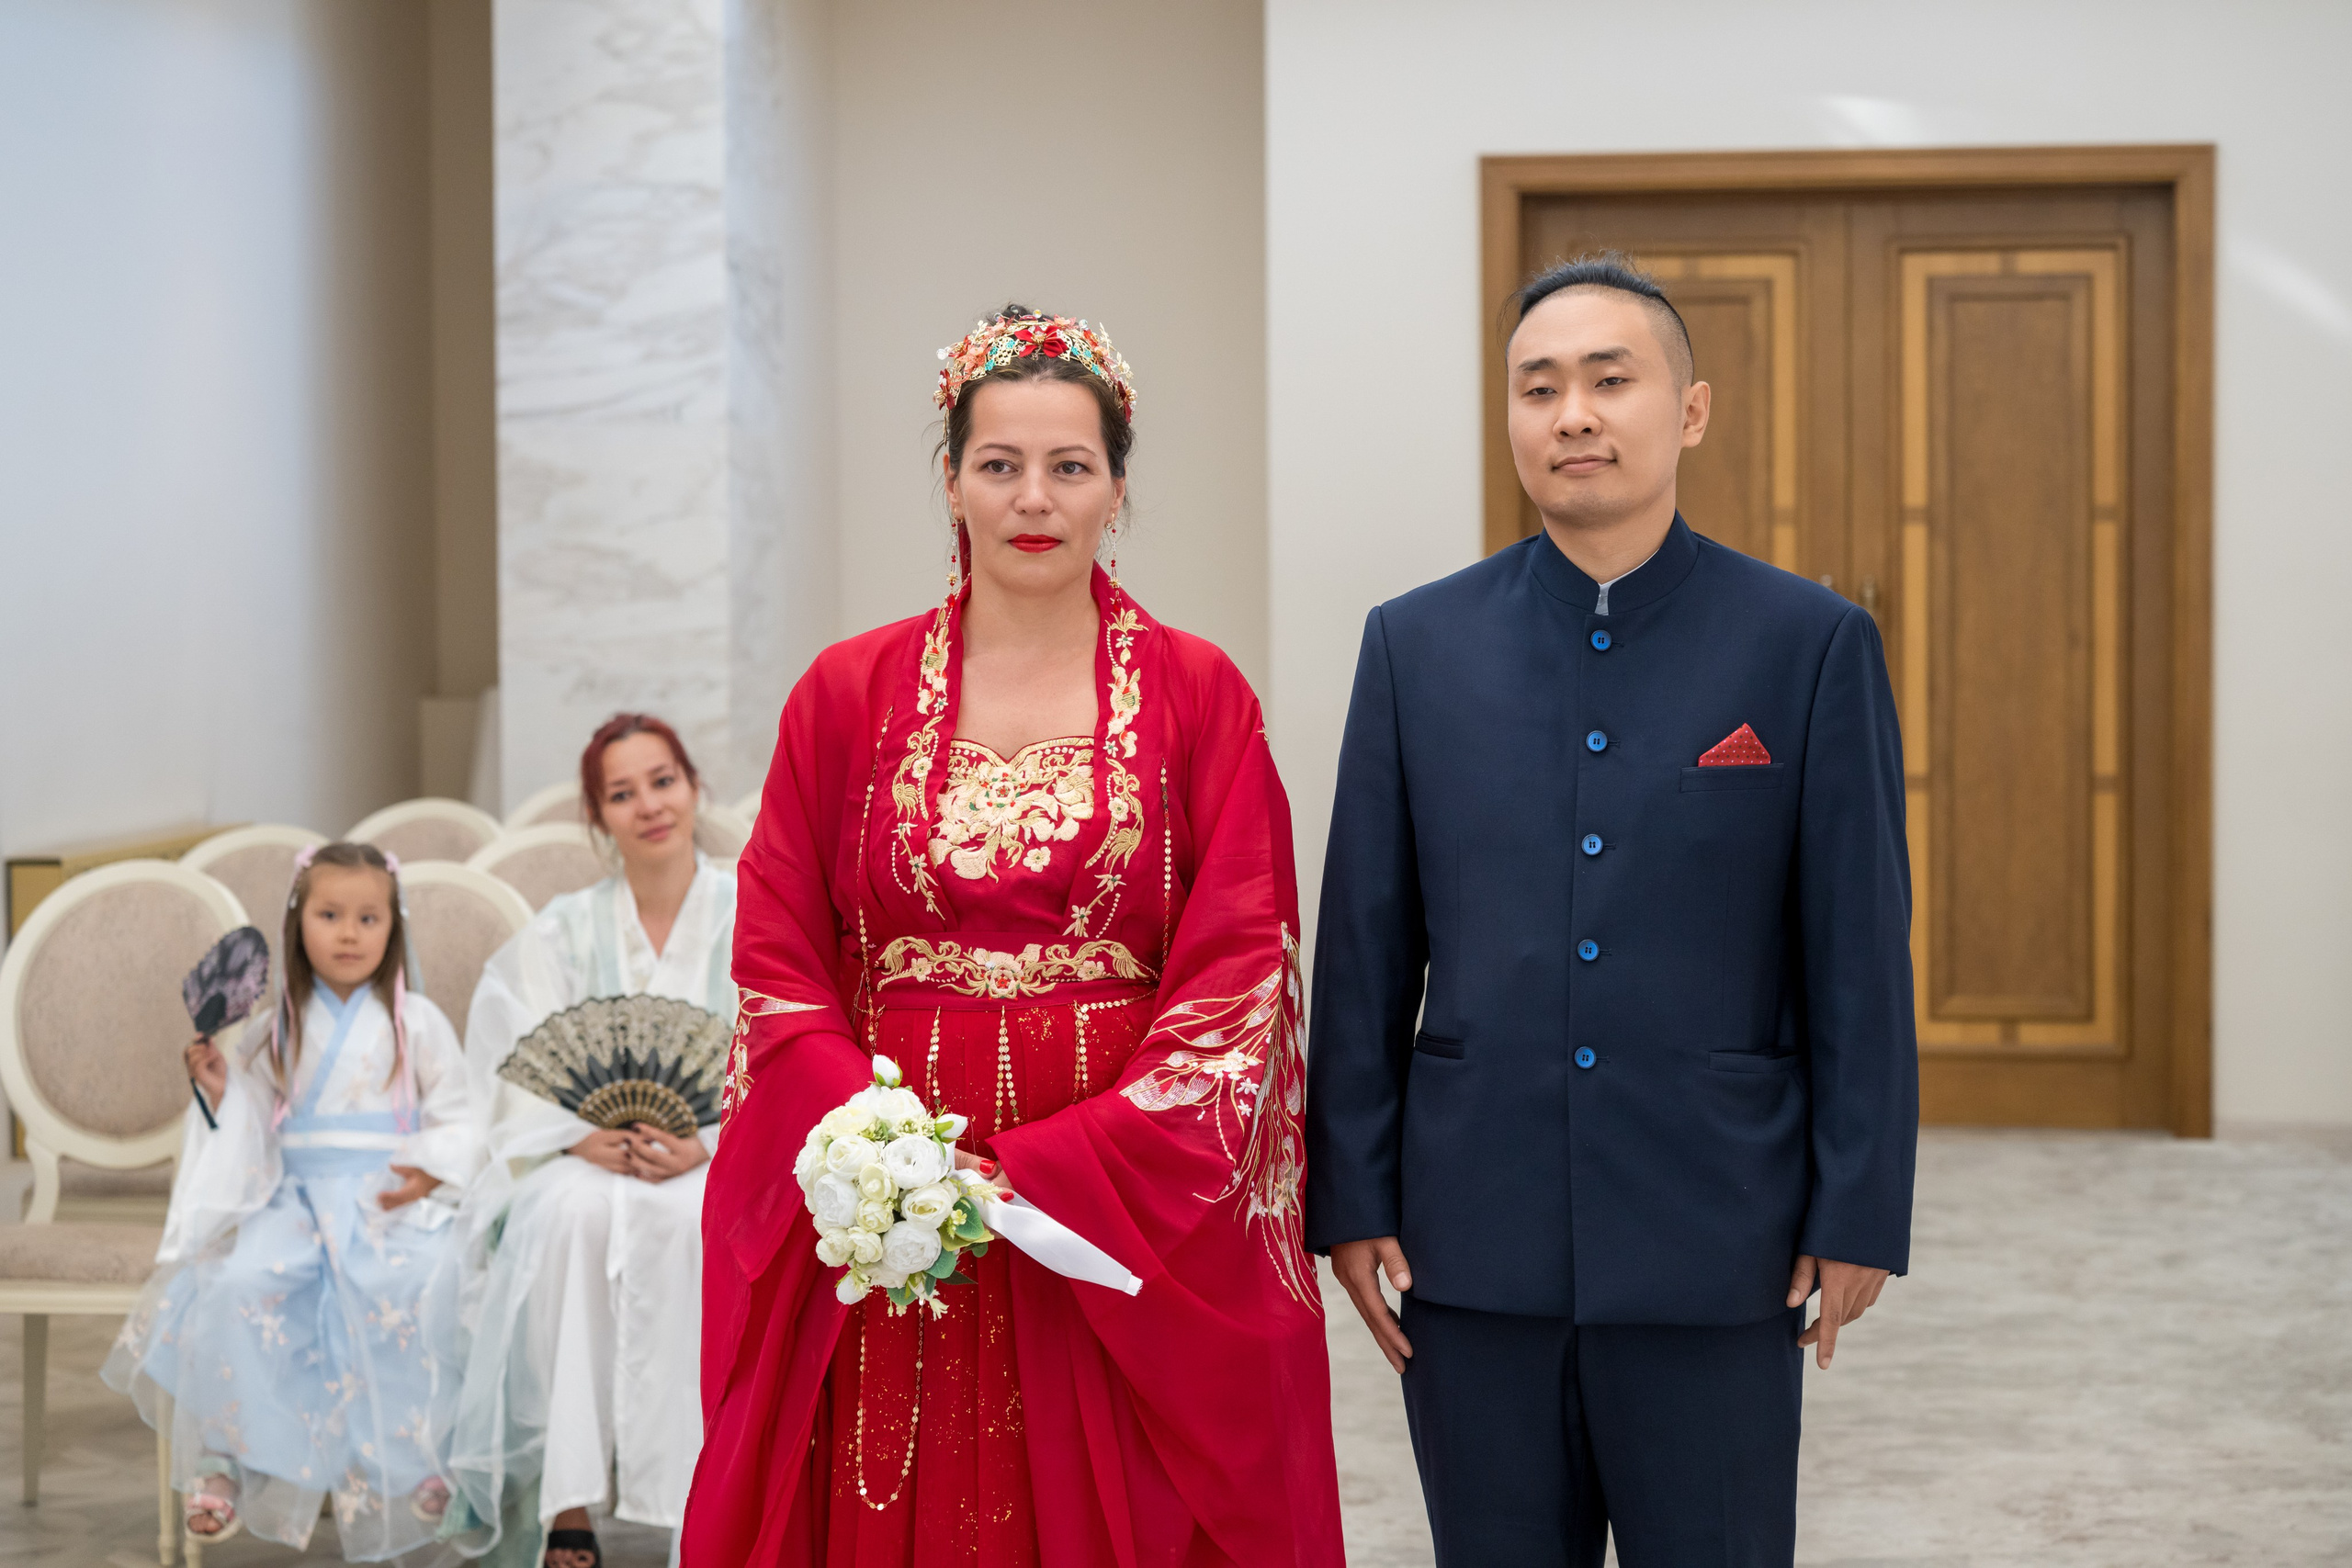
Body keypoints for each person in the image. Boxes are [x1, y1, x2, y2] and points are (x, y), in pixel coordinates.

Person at [684, 306, 1342, 1567]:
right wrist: (880, 1153)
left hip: (1109, 1184)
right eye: (999, 463)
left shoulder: (1201, 694)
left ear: (1118, 488)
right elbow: (776, 951)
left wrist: (1070, 1160)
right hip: (885, 1172)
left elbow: (1241, 958)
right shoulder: (843, 692)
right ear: (950, 480)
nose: (1033, 496)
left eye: (1069, 465)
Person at [1305, 254, 1919, 1567]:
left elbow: (1857, 949)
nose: (1572, 413)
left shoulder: (1806, 644)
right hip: (1471, 1233)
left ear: (1689, 410)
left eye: (1608, 378)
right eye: (1540, 387)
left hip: (1719, 1227)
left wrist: (1858, 1201)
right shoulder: (1416, 645)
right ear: (1513, 419)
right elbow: (1363, 941)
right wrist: (1349, 1194)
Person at [106, 841, 474, 1560]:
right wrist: (220, 1082)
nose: (347, 932)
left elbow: (459, 1116)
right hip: (294, 1198)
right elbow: (249, 1121)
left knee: (422, 1280)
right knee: (241, 1280)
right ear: (296, 923)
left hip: (387, 1198)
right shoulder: (276, 1024)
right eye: (329, 914)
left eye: (368, 917)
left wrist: (430, 1171)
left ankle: (424, 1458)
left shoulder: (419, 1023)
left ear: (391, 928)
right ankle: (231, 1459)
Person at [438, 714, 736, 1568]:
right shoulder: (563, 930)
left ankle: (696, 1503)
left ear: (692, 786)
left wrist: (707, 1143)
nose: (649, 804)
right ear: (596, 815)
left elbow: (783, 1059)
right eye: (621, 791)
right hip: (590, 1157)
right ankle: (565, 1502)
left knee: (691, 1224)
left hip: (707, 1157)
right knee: (565, 1216)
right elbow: (509, 1064)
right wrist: (576, 1136)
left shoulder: (751, 915)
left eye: (663, 779)